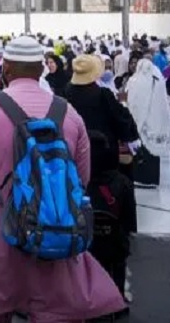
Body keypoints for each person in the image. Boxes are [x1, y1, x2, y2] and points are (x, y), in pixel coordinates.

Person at [0, 36, 125, 322]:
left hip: (0, 231)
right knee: (53, 311)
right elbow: (81, 178)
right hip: (55, 232)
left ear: (5, 68)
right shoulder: (68, 114)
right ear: (42, 68)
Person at [86, 130, 135, 310]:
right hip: (114, 246)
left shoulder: (79, 180)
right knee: (119, 253)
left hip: (86, 245)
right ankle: (118, 297)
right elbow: (130, 223)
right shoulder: (122, 183)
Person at [125, 57, 170, 184]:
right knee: (153, 152)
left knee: (142, 152)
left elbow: (134, 102)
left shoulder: (137, 80)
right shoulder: (157, 77)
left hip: (142, 121)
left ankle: (142, 178)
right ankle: (152, 178)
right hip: (156, 121)